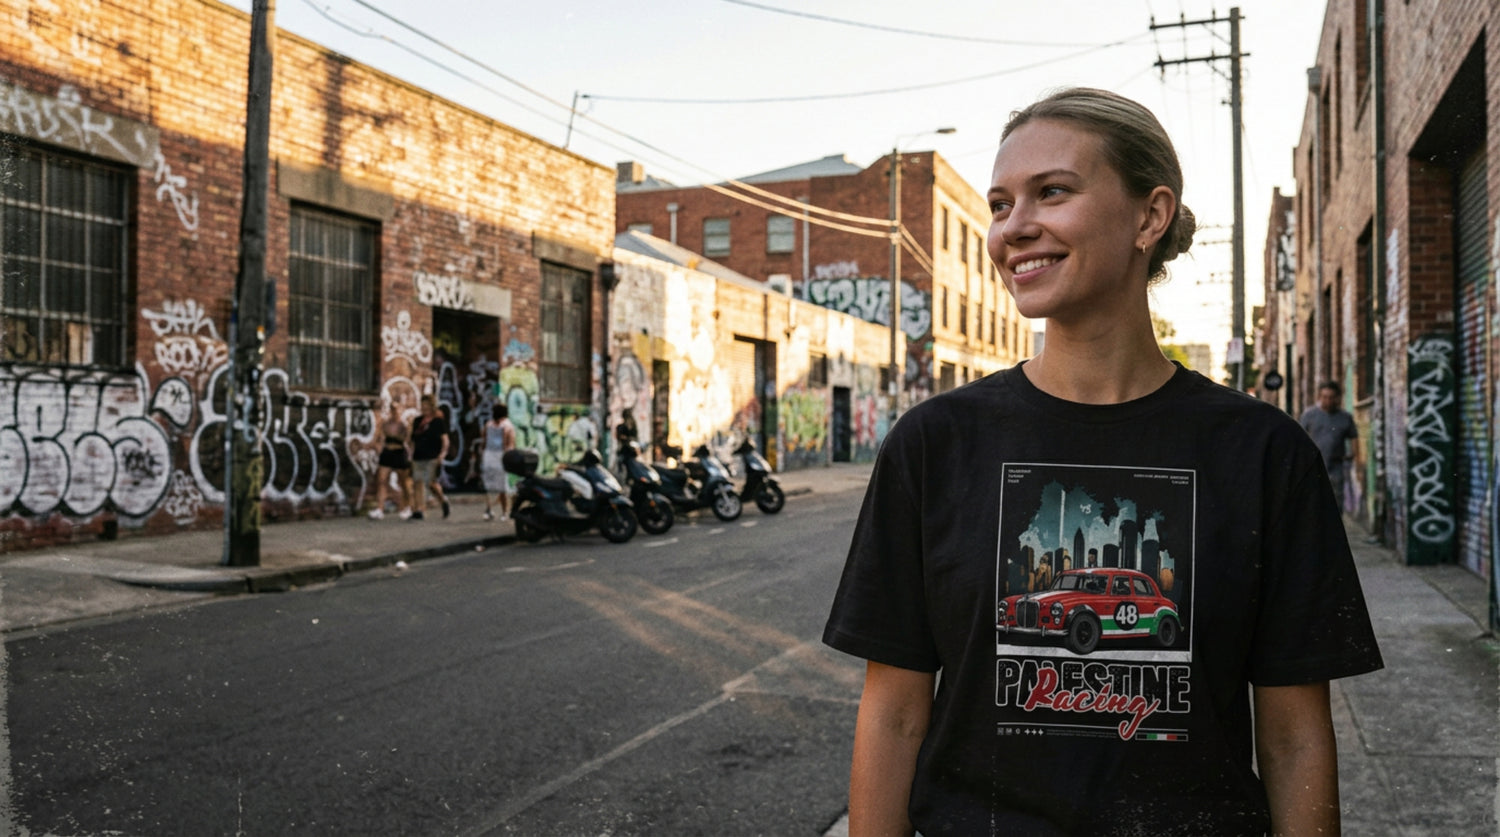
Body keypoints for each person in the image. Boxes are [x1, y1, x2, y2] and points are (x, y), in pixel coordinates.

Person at [823, 88, 1383, 836]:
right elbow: (893, 713)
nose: (1014, 228)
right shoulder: (933, 442)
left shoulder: (1263, 453)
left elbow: (1293, 733)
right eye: (999, 204)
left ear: (1149, 216)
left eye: (1051, 192)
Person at [1300, 380, 1360, 507]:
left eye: (1331, 398)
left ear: (1337, 398)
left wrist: (1352, 455)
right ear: (1319, 397)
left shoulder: (1345, 417)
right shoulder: (1309, 415)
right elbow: (1298, 438)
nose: (1328, 401)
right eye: (1325, 397)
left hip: (1336, 468)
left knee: (1336, 504)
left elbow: (1354, 437)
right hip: (1313, 468)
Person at [409, 395, 450, 521]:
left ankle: (443, 500)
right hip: (418, 455)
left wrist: (442, 454)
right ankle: (419, 510)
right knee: (417, 482)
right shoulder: (417, 421)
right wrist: (410, 453)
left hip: (432, 455)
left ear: (431, 406)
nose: (424, 407)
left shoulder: (438, 422)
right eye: (422, 405)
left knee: (430, 483)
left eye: (426, 405)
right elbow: (412, 440)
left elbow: (445, 440)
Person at [368, 412, 413, 520]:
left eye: (396, 409)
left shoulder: (404, 425)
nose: (394, 412)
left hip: (399, 453)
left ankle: (407, 507)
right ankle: (380, 509)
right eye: (392, 409)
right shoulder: (385, 424)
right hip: (387, 453)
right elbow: (379, 437)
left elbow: (409, 440)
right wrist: (377, 446)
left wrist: (410, 455)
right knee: (381, 481)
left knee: (404, 482)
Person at [478, 403, 517, 521]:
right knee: (501, 486)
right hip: (501, 456)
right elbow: (510, 444)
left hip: (489, 455)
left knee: (490, 486)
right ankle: (505, 512)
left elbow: (484, 441)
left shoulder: (488, 425)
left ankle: (489, 510)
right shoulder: (508, 425)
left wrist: (482, 455)